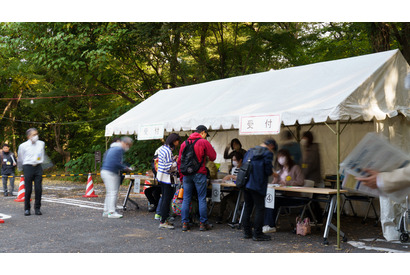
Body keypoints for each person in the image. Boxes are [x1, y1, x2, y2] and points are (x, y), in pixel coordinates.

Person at [177, 125, 216, 231]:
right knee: (202, 198)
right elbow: (213, 157)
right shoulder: (203, 142)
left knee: (186, 199)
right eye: (205, 135)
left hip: (186, 175)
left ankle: (185, 223)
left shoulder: (184, 143)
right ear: (202, 132)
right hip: (199, 173)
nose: (205, 137)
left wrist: (181, 177)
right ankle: (203, 224)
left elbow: (179, 162)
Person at [263, 148, 305, 234]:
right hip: (283, 195)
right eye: (278, 157)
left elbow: (301, 181)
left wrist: (287, 182)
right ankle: (267, 224)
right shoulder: (281, 171)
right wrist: (274, 181)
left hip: (294, 197)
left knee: (273, 201)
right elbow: (277, 183)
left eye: (282, 156)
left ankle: (271, 225)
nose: (280, 159)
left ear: (287, 157)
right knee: (269, 200)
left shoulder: (295, 168)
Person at [242, 139, 276, 241]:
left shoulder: (250, 151)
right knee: (260, 208)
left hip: (246, 183)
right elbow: (268, 171)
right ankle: (257, 234)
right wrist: (275, 174)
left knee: (248, 207)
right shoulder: (267, 153)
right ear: (271, 146)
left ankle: (247, 232)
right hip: (258, 185)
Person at [101, 136, 133, 218]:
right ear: (125, 143)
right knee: (113, 192)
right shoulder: (118, 149)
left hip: (104, 171)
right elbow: (115, 163)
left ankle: (106, 211)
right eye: (129, 145)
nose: (128, 147)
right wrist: (125, 168)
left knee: (109, 192)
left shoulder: (112, 148)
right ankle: (111, 212)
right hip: (111, 172)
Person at [17, 128, 46, 216]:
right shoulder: (23, 146)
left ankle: (37, 208)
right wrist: (20, 169)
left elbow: (42, 154)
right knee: (28, 189)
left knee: (38, 189)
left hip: (38, 167)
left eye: (36, 134)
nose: (35, 136)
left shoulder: (41, 143)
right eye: (33, 135)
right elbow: (20, 158)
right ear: (28, 136)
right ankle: (27, 209)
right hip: (28, 167)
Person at [157, 133, 181, 229]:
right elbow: (169, 167)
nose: (178, 143)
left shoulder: (162, 148)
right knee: (167, 200)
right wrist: (177, 162)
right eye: (177, 141)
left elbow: (165, 162)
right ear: (174, 141)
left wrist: (173, 159)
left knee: (164, 199)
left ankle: (164, 219)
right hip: (167, 178)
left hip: (162, 177)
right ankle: (163, 221)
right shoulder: (167, 151)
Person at [216, 151, 244, 224]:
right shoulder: (233, 169)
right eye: (232, 160)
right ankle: (220, 216)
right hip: (234, 190)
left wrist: (231, 176)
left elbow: (241, 178)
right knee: (224, 199)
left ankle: (237, 217)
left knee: (229, 200)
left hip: (242, 192)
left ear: (240, 160)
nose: (233, 162)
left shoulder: (244, 169)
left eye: (235, 160)